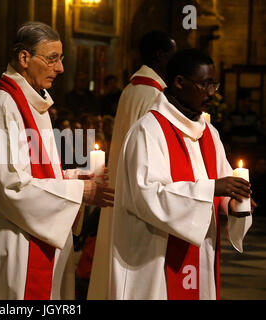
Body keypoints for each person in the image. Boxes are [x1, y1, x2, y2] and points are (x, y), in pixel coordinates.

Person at [0, 21, 114, 300]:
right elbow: (12, 186)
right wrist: (79, 192)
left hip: (34, 238)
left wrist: (75, 179)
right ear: (24, 58)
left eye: (61, 59)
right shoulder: (4, 105)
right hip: (16, 242)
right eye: (52, 59)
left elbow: (38, 175)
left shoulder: (34, 104)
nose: (61, 69)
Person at [109, 49, 256, 299]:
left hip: (200, 252)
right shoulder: (148, 130)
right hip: (154, 255)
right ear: (179, 82)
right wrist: (212, 189)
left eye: (214, 84)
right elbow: (145, 196)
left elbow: (223, 186)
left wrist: (233, 204)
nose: (212, 93)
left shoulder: (209, 133)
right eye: (204, 84)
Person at [89, 30, 177, 299]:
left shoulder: (131, 89)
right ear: (160, 55)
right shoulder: (153, 95)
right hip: (139, 193)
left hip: (120, 185)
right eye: (172, 53)